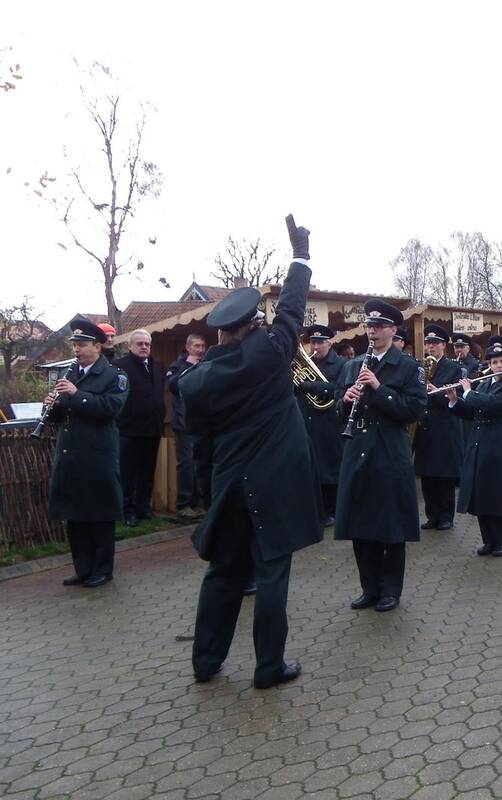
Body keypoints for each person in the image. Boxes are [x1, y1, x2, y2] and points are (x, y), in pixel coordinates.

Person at [179, 215, 321, 689]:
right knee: (273, 571)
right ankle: (268, 668)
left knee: (224, 571)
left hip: (229, 485)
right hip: (275, 482)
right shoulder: (272, 352)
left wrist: (208, 492)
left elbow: (199, 443)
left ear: (220, 333)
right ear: (253, 325)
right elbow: (293, 307)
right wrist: (300, 254)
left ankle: (206, 661)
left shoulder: (194, 382)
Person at [335, 300, 427, 613]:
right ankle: (369, 588)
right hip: (358, 448)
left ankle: (390, 590)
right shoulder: (353, 366)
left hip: (389, 448)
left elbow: (414, 410)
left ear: (392, 330)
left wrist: (379, 389)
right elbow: (337, 408)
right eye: (369, 326)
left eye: (378, 327)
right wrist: (346, 401)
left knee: (390, 523)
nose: (371, 332)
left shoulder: (409, 367)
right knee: (360, 523)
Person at [46, 317, 128, 588]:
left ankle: (103, 570)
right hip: (70, 453)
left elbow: (110, 408)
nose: (76, 350)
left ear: (97, 346)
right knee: (75, 514)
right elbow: (61, 416)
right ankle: (83, 569)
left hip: (97, 454)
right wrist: (52, 406)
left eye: (81, 345)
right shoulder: (70, 373)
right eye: (75, 345)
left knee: (99, 514)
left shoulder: (114, 375)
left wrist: (77, 394)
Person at [447, 342, 502, 556]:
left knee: (498, 494)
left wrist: (468, 392)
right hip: (479, 444)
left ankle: (501, 542)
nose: (499, 366)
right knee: (481, 494)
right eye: (495, 362)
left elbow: (493, 404)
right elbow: (473, 412)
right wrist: (455, 400)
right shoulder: (484, 383)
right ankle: (488, 541)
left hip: (499, 445)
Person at [413, 324, 465, 531]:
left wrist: (435, 391)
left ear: (443, 345)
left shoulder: (453, 368)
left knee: (444, 475)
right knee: (427, 476)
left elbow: (456, 398)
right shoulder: (420, 366)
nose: (431, 346)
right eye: (428, 343)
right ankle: (432, 515)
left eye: (435, 343)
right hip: (424, 426)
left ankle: (446, 516)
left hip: (444, 427)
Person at [113, 329, 166, 527]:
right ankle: (127, 511)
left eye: (147, 344)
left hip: (153, 428)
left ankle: (143, 507)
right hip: (129, 429)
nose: (144, 347)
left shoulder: (157, 366)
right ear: (130, 346)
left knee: (147, 471)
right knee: (128, 473)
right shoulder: (120, 366)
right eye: (140, 344)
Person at [296, 324, 346, 525]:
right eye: (313, 342)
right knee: (311, 467)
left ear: (330, 343)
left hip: (328, 423)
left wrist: (310, 385)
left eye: (320, 342)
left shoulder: (341, 364)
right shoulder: (305, 363)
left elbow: (338, 390)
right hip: (306, 420)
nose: (316, 346)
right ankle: (315, 511)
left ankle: (331, 510)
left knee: (329, 469)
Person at [167, 333, 209, 519]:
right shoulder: (177, 366)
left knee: (201, 464)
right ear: (188, 347)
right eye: (196, 346)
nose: (200, 350)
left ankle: (200, 503)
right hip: (184, 424)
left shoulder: (206, 364)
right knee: (186, 464)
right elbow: (173, 386)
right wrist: (190, 367)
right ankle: (183, 505)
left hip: (202, 424)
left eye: (202, 346)